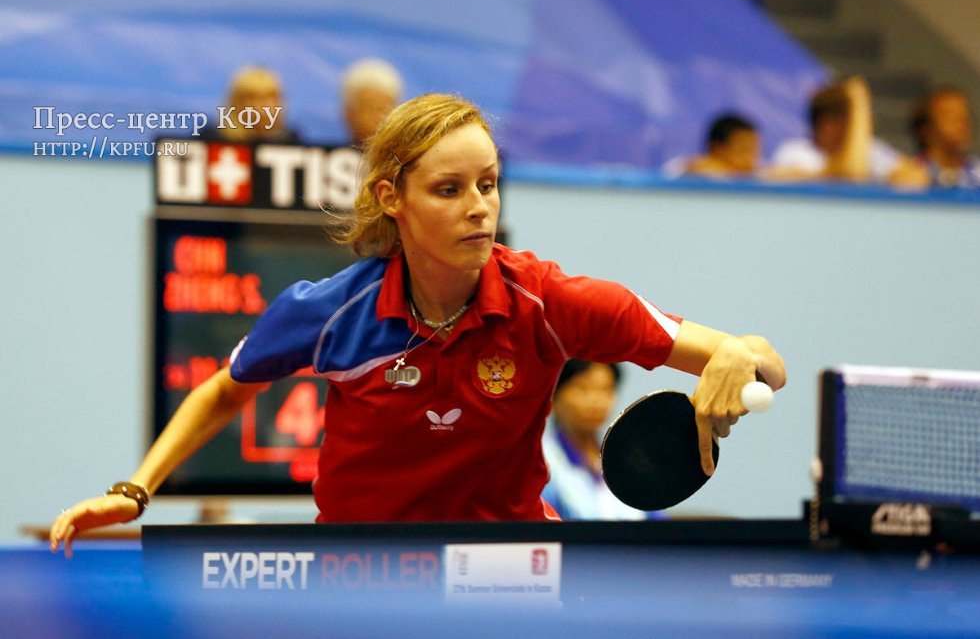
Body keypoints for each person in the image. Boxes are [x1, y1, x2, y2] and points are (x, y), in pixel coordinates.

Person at [51, 93, 786, 556]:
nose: (479, 205)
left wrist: (736, 355)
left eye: (489, 184)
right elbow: (225, 390)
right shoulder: (331, 312)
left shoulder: (551, 302)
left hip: (507, 576)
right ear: (391, 198)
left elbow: (765, 365)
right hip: (354, 576)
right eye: (450, 188)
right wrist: (136, 489)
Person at [542, 360, 664, 520]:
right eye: (582, 388)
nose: (595, 400)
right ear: (555, 395)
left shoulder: (628, 460)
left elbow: (655, 521)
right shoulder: (543, 462)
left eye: (605, 389)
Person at [769, 76, 927, 189]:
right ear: (828, 124)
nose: (867, 126)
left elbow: (917, 178)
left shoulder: (872, 150)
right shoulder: (795, 152)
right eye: (857, 122)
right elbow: (850, 173)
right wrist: (859, 101)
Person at [201, 65, 302, 144]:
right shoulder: (210, 142)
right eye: (253, 98)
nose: (263, 107)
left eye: (271, 97)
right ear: (236, 102)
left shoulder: (292, 144)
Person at [909, 86, 980, 189]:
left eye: (964, 115)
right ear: (925, 129)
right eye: (949, 115)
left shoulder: (977, 171)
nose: (961, 122)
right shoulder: (908, 175)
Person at [340, 58, 404, 147]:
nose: (381, 118)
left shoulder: (406, 159)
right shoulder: (326, 156)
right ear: (349, 113)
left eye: (387, 109)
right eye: (372, 109)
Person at [678, 113, 761, 179]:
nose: (749, 159)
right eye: (743, 150)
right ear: (716, 148)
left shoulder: (755, 173)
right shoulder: (688, 170)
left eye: (753, 151)